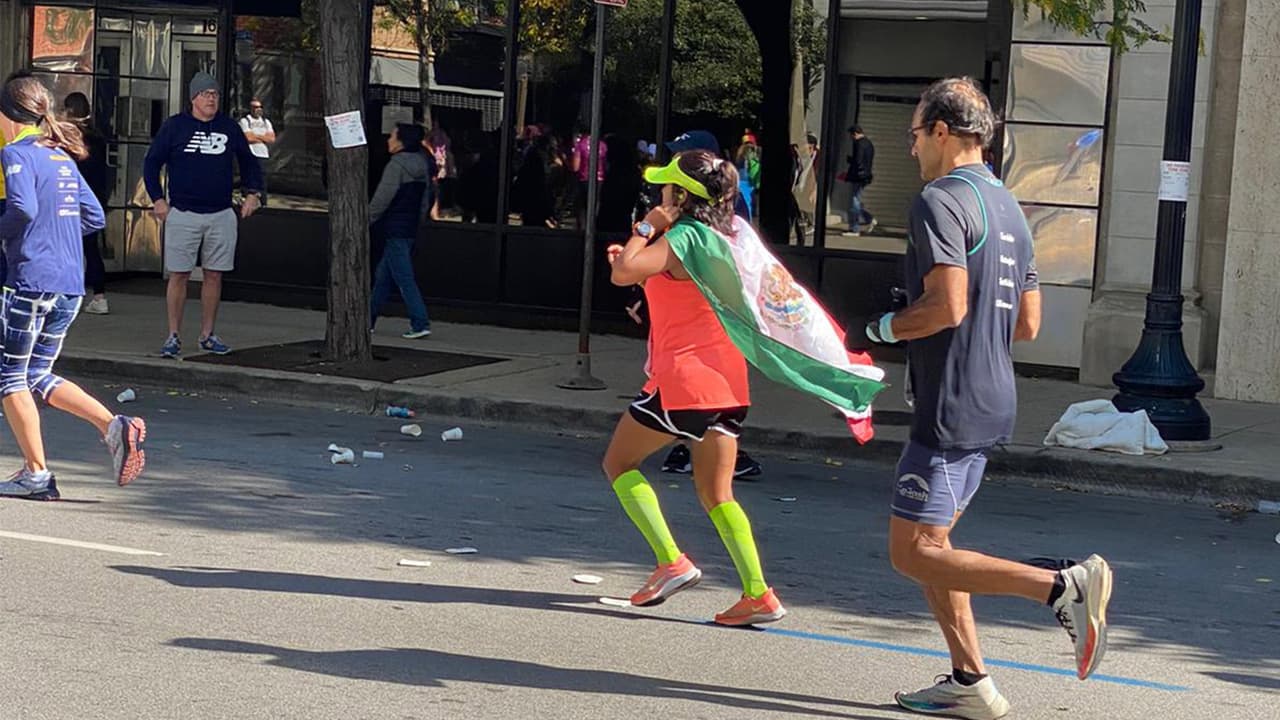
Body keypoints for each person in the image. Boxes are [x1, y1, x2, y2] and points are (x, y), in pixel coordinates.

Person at [865, 77, 1111, 719]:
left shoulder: (939, 200)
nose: (913, 146)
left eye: (915, 133)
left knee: (910, 551)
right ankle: (970, 683)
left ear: (943, 132)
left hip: (950, 401)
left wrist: (885, 327)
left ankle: (1060, 585)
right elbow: (1027, 323)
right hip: (993, 393)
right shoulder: (1008, 206)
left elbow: (947, 304)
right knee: (937, 548)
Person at [602, 150, 786, 626]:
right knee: (717, 492)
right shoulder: (728, 237)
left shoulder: (683, 236)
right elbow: (657, 280)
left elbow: (623, 273)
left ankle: (671, 562)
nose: (660, 193)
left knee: (619, 462)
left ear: (680, 196)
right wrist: (638, 261)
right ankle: (758, 594)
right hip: (727, 382)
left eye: (667, 188)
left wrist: (646, 228)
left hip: (684, 381)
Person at [0, 72, 147, 500]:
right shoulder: (59, 155)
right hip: (69, 283)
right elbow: (94, 216)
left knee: (9, 378)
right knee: (36, 373)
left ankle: (36, 474)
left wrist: (13, 233)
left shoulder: (17, 152)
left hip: (30, 279)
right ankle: (114, 426)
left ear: (9, 115)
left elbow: (22, 209)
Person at [656, 130, 762, 479]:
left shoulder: (703, 221)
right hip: (683, 310)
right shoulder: (684, 218)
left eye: (680, 158)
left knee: (618, 463)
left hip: (701, 319)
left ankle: (702, 447)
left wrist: (644, 232)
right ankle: (698, 446)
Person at [145, 71, 263, 358]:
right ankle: (173, 335)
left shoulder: (229, 127)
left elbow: (249, 162)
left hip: (220, 212)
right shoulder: (175, 127)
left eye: (215, 94)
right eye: (205, 94)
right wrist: (158, 200)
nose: (211, 99)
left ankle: (207, 335)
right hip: (183, 212)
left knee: (214, 275)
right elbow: (151, 164)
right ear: (193, 98)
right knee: (179, 274)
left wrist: (253, 193)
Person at [369, 123, 435, 339]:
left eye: (392, 136)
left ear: (401, 141)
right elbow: (425, 200)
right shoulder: (421, 164)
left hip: (394, 227)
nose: (388, 140)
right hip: (408, 227)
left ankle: (420, 322)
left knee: (403, 277)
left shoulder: (396, 165)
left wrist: (366, 219)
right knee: (383, 277)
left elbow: (382, 198)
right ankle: (367, 319)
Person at [63, 92, 110, 314]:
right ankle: (99, 295)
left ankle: (68, 292)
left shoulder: (68, 138)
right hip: (94, 198)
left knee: (67, 247)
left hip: (70, 197)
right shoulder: (98, 138)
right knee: (91, 248)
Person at [843, 125, 876, 236]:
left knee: (854, 201)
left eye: (851, 135)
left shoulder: (859, 143)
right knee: (855, 200)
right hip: (865, 176)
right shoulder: (869, 143)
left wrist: (850, 161)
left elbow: (858, 160)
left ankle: (855, 228)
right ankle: (868, 218)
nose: (851, 138)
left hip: (858, 176)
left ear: (854, 134)